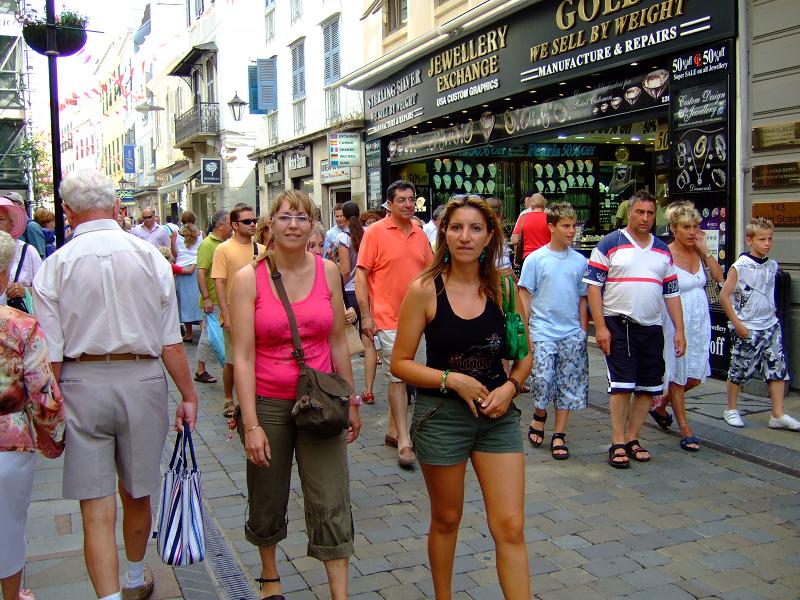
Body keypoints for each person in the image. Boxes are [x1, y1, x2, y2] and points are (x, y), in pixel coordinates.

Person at [32, 170, 198, 600]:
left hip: (81, 380)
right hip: (142, 377)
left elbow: (50, 355)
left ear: (68, 211)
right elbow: (170, 340)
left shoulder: (55, 266)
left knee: (95, 504)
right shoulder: (148, 257)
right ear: (116, 207)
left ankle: (107, 597)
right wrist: (189, 394)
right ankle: (134, 577)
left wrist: (48, 412)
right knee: (138, 489)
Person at [391, 195, 531, 599]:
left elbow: (524, 356)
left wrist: (511, 386)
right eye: (456, 228)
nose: (464, 237)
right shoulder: (424, 289)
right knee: (447, 519)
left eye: (474, 229)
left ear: (489, 236)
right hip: (442, 417)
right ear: (444, 234)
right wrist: (452, 379)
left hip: (497, 418)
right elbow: (400, 362)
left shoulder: (504, 287)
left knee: (510, 525)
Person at [230, 189, 359, 600]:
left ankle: (339, 592)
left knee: (331, 496)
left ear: (313, 226)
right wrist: (250, 423)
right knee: (267, 494)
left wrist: (351, 400)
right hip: (269, 403)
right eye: (286, 217)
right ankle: (270, 578)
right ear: (270, 225)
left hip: (321, 401)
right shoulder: (248, 278)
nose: (293, 225)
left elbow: (339, 340)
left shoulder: (329, 273)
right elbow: (243, 356)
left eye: (302, 218)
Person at [583, 190, 686, 468]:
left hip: (651, 327)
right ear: (629, 212)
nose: (645, 218)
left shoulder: (662, 249)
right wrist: (600, 327)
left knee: (647, 387)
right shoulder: (610, 243)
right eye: (640, 212)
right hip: (619, 324)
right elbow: (593, 287)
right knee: (621, 386)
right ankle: (617, 441)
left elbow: (672, 292)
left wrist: (679, 330)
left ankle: (632, 438)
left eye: (650, 213)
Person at [0, 229, 64, 600]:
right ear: (5, 275)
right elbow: (44, 394)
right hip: (9, 437)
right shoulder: (20, 326)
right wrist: (52, 438)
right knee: (9, 525)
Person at [356, 180, 433, 468]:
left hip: (418, 317)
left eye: (412, 199)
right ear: (390, 203)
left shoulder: (419, 233)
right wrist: (366, 314)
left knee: (414, 375)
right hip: (387, 317)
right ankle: (404, 439)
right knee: (398, 376)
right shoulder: (375, 233)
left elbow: (431, 270)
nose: (408, 204)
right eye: (402, 199)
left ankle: (392, 430)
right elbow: (362, 275)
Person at [649, 202, 724, 451]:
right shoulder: (665, 254)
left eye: (695, 227)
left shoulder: (699, 252)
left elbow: (718, 277)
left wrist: (705, 251)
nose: (692, 232)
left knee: (696, 375)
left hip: (700, 317)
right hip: (675, 317)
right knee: (678, 374)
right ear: (673, 229)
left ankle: (661, 404)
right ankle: (685, 428)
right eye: (686, 227)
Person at [518, 203, 588, 459]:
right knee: (542, 378)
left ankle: (559, 433)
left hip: (570, 332)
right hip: (543, 329)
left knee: (567, 384)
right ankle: (539, 412)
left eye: (574, 226)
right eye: (566, 226)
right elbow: (524, 295)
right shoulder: (536, 259)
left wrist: (582, 331)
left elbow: (583, 298)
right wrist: (525, 329)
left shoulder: (580, 261)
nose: (571, 231)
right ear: (552, 227)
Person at [720, 218, 799, 431]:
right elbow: (724, 296)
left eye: (770, 239)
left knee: (777, 367)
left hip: (769, 324)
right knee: (739, 368)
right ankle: (731, 408)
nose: (767, 243)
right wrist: (737, 324)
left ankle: (778, 412)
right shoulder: (741, 266)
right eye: (762, 239)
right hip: (747, 324)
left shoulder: (772, 266)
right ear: (749, 240)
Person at [211, 206, 264, 419]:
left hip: (258, 313)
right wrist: (226, 314)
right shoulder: (223, 249)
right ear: (234, 225)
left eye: (254, 220)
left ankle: (253, 397)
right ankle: (227, 399)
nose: (252, 224)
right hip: (234, 314)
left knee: (256, 358)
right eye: (247, 221)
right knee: (233, 360)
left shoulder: (260, 249)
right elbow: (220, 283)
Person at [337, 201, 378, 405]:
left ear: (343, 216)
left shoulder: (343, 238)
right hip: (369, 293)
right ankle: (369, 390)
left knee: (343, 342)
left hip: (351, 294)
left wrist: (337, 287)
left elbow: (344, 269)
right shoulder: (370, 233)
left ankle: (345, 390)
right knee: (368, 341)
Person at [193, 211, 232, 385]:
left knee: (210, 334)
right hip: (213, 298)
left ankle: (201, 369)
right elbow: (201, 273)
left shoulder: (225, 243)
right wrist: (206, 297)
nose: (233, 226)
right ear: (221, 225)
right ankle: (200, 370)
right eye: (230, 223)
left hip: (222, 297)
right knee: (209, 335)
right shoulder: (208, 245)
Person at [0, 198, 42, 311]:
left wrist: (25, 291)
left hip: (18, 322)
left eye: (1, 219)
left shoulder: (28, 252)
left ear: (12, 223)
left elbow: (46, 290)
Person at [175, 223, 204, 342]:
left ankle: (189, 333)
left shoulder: (175, 235)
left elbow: (174, 252)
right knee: (199, 299)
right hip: (198, 267)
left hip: (182, 268)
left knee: (185, 302)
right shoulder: (202, 234)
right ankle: (204, 331)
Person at [511, 193, 550, 263]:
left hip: (527, 258)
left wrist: (515, 256)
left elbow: (514, 240)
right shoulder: (550, 219)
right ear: (544, 205)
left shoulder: (523, 217)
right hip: (546, 258)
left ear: (531, 205)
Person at [6, 193, 46, 260]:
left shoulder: (31, 226)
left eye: (10, 204)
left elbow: (39, 257)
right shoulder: (9, 225)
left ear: (21, 205)